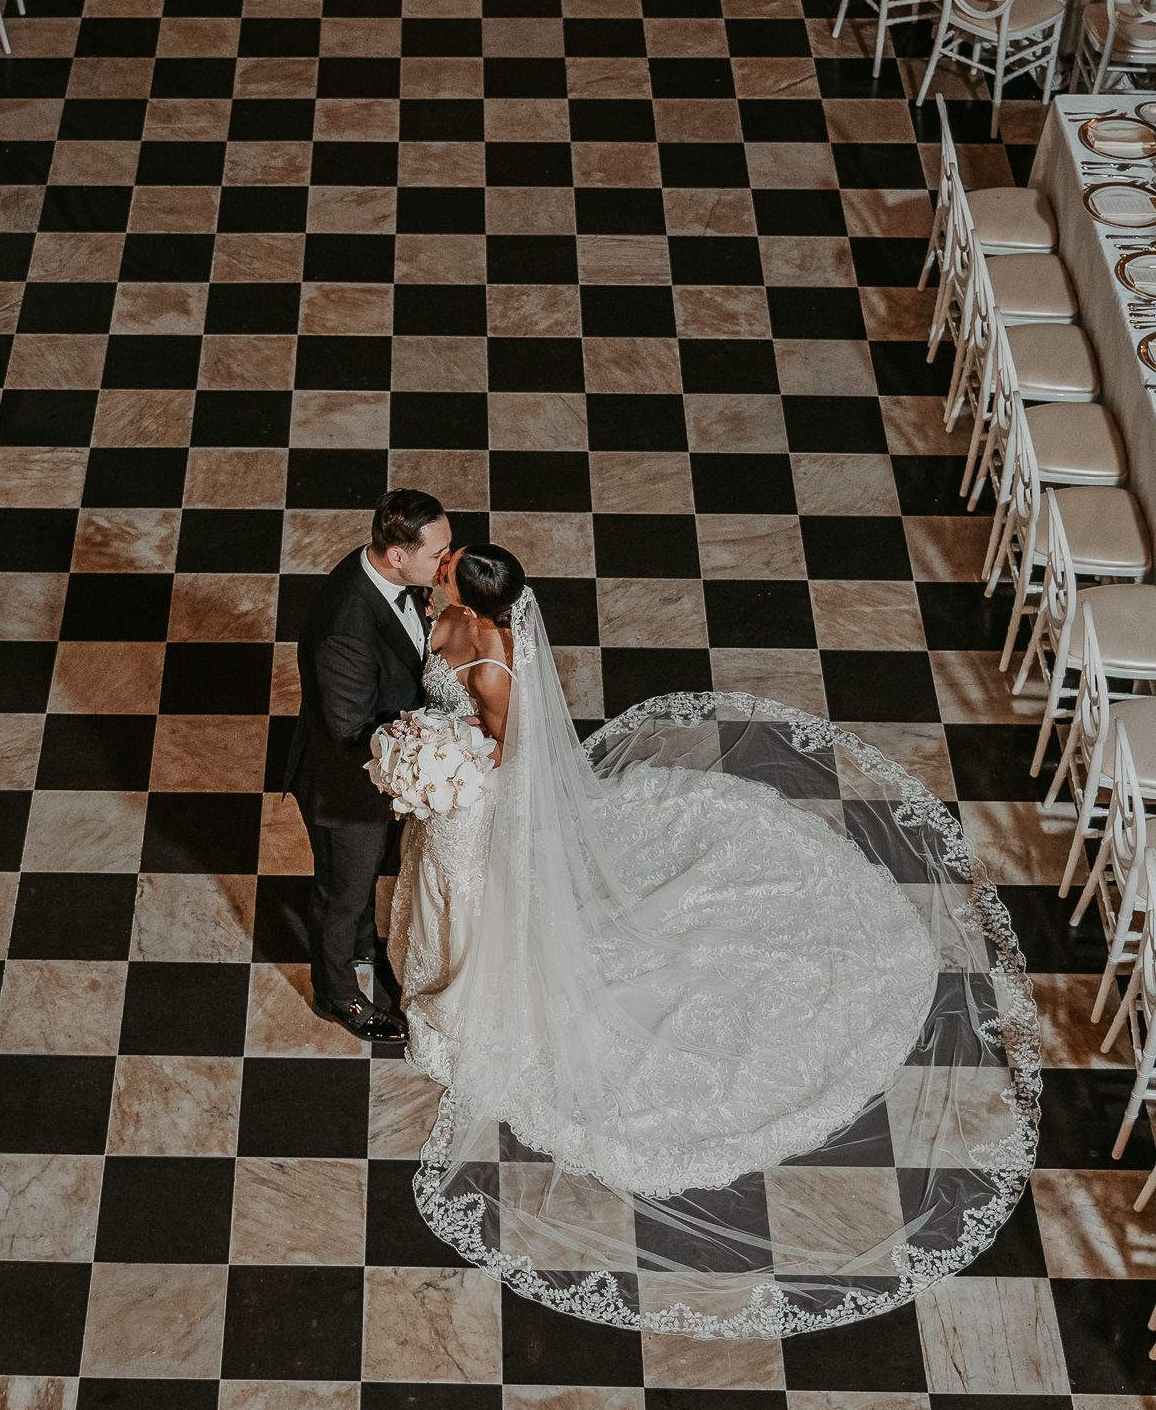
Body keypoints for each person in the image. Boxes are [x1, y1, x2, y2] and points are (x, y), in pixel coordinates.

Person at [385, 544, 1042, 1342]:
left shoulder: (494, 667)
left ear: (475, 600)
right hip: (449, 796)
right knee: (446, 889)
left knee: (480, 896)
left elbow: (507, 749)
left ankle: (469, 979)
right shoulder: (454, 617)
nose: (441, 565)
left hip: (477, 798)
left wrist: (443, 764)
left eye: (448, 563)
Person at [285, 488, 451, 1042]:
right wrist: (431, 748)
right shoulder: (344, 629)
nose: (446, 564)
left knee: (358, 882)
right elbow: (352, 731)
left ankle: (362, 943)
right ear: (399, 556)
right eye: (438, 556)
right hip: (344, 789)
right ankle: (337, 995)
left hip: (375, 777)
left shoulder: (380, 574)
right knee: (343, 892)